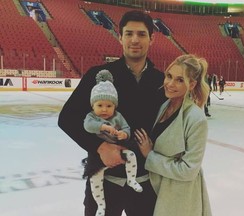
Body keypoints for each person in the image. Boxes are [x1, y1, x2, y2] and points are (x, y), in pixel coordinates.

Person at [58, 10, 166, 216]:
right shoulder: (98, 76)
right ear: (120, 37)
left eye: (142, 34)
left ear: (152, 39)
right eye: (129, 33)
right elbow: (68, 118)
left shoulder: (161, 82)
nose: (135, 39)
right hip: (103, 180)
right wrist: (99, 146)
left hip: (145, 183)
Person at [134, 54, 212, 216]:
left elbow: (189, 170)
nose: (170, 84)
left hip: (180, 197)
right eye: (169, 76)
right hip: (160, 190)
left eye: (179, 80)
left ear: (192, 85)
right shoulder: (164, 106)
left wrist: (150, 155)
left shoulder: (196, 119)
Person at [83, 70, 143, 216]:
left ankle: (131, 179)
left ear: (114, 106)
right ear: (93, 106)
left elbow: (126, 127)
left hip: (118, 150)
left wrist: (124, 134)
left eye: (109, 106)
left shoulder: (118, 117)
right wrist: (103, 126)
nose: (104, 109)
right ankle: (101, 205)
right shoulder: (92, 117)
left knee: (131, 156)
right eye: (100, 105)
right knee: (95, 179)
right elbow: (87, 126)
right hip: (97, 156)